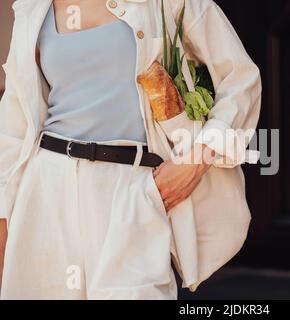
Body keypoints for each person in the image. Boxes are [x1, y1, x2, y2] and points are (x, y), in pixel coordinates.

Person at [0, 0, 261, 300]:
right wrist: (5, 222)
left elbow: (241, 79)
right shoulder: (33, 9)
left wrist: (197, 159)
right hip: (46, 189)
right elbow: (14, 126)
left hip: (135, 189)